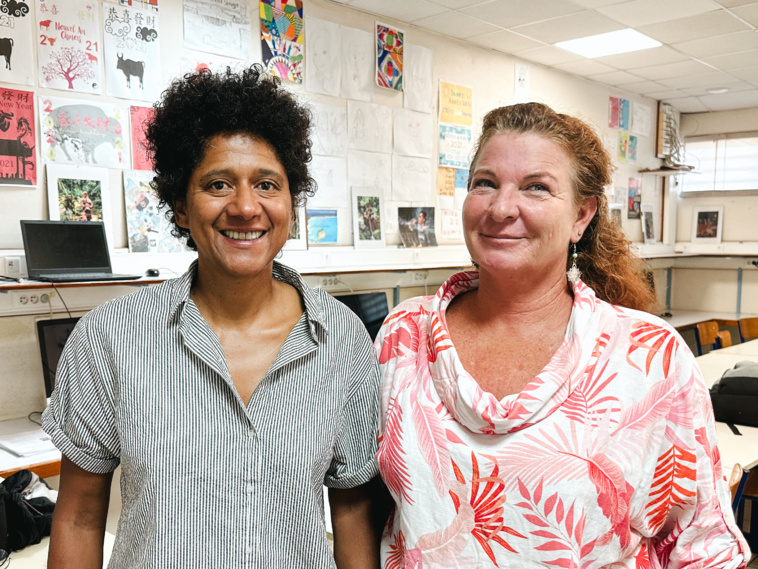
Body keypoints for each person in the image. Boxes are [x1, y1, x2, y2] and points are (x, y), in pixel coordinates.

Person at [374, 103, 750, 568]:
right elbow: (374, 504)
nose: (500, 207)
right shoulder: (403, 337)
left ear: (581, 216)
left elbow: (701, 545)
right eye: (485, 183)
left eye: (536, 187)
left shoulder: (650, 357)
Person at [42, 66, 382, 569]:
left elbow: (352, 507)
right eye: (218, 184)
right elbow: (79, 516)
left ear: (291, 202)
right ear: (180, 205)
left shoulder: (342, 339)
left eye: (267, 184)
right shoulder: (110, 337)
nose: (246, 207)